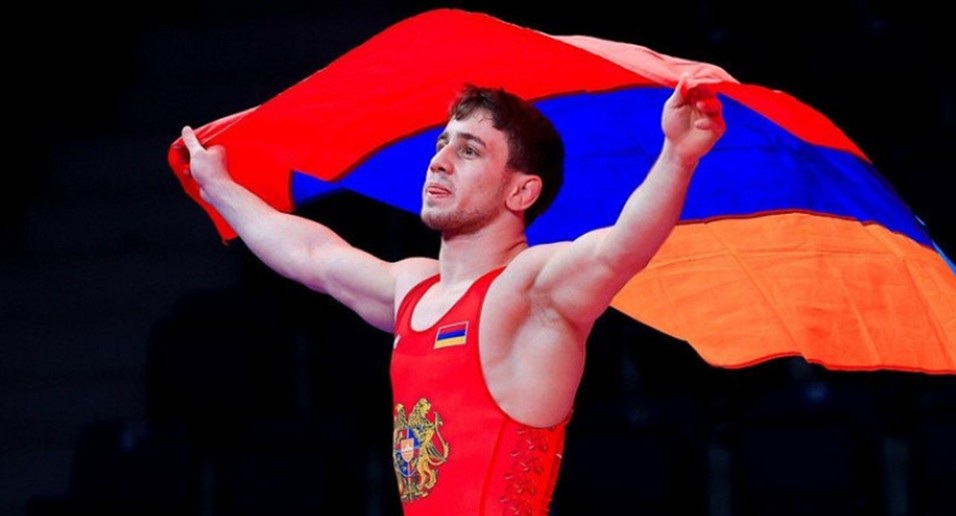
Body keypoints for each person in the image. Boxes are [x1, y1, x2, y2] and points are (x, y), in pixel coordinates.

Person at [179, 72, 725, 515]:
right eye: (442, 144)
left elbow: (620, 249)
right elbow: (313, 257)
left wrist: (677, 157)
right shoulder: (413, 288)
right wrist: (219, 186)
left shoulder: (529, 288)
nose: (438, 161)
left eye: (468, 151)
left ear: (521, 190)